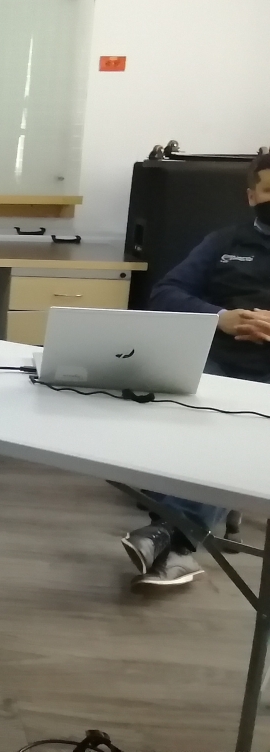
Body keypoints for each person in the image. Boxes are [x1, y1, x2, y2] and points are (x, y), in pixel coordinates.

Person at [121, 152, 270, 588]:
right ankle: (177, 542)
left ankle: (171, 535)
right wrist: (218, 316)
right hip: (218, 361)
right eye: (268, 190)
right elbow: (166, 292)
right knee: (200, 411)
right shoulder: (224, 241)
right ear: (251, 196)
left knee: (241, 429)